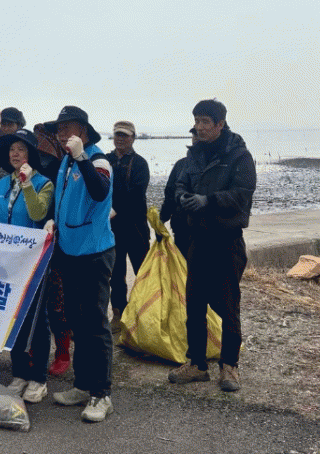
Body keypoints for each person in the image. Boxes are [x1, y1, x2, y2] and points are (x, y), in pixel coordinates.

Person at [168, 99, 256, 392]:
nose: (200, 127)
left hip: (227, 241)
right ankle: (197, 364)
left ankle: (229, 365)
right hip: (198, 240)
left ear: (220, 124)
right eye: (197, 121)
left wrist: (209, 201)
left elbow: (242, 194)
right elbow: (181, 184)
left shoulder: (239, 156)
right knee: (194, 303)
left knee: (228, 304)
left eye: (206, 121)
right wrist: (182, 198)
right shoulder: (194, 155)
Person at [44, 106, 116, 423]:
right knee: (76, 320)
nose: (61, 135)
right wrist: (53, 220)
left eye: (67, 128)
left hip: (94, 253)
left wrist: (82, 157)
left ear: (83, 132)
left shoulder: (97, 160)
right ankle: (83, 384)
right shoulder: (66, 161)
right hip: (69, 251)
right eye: (59, 130)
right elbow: (64, 200)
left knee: (95, 324)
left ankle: (101, 394)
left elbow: (99, 192)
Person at [0, 128, 54, 403]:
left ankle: (39, 378)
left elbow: (39, 213)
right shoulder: (3, 183)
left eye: (21, 149)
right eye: (12, 149)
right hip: (7, 262)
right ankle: (19, 373)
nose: (15, 154)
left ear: (31, 155)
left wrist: (27, 185)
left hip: (33, 262)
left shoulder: (44, 183)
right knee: (13, 316)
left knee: (36, 319)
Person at [33, 122, 71, 376]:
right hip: (33, 238)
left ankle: (63, 351)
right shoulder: (34, 164)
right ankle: (37, 350)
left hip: (55, 238)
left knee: (57, 299)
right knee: (36, 299)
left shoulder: (63, 164)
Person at [105, 121, 150, 332]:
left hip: (136, 226)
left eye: (125, 135)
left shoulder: (140, 163)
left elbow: (137, 193)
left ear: (133, 138)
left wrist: (116, 209)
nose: (120, 139)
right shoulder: (106, 160)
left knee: (143, 271)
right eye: (117, 135)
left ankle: (145, 313)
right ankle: (118, 313)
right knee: (116, 274)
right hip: (112, 228)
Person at [159, 128, 198, 259]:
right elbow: (170, 194)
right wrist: (162, 219)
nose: (196, 137)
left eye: (199, 134)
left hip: (206, 229)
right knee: (181, 266)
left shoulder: (215, 164)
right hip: (181, 226)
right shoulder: (181, 164)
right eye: (194, 134)